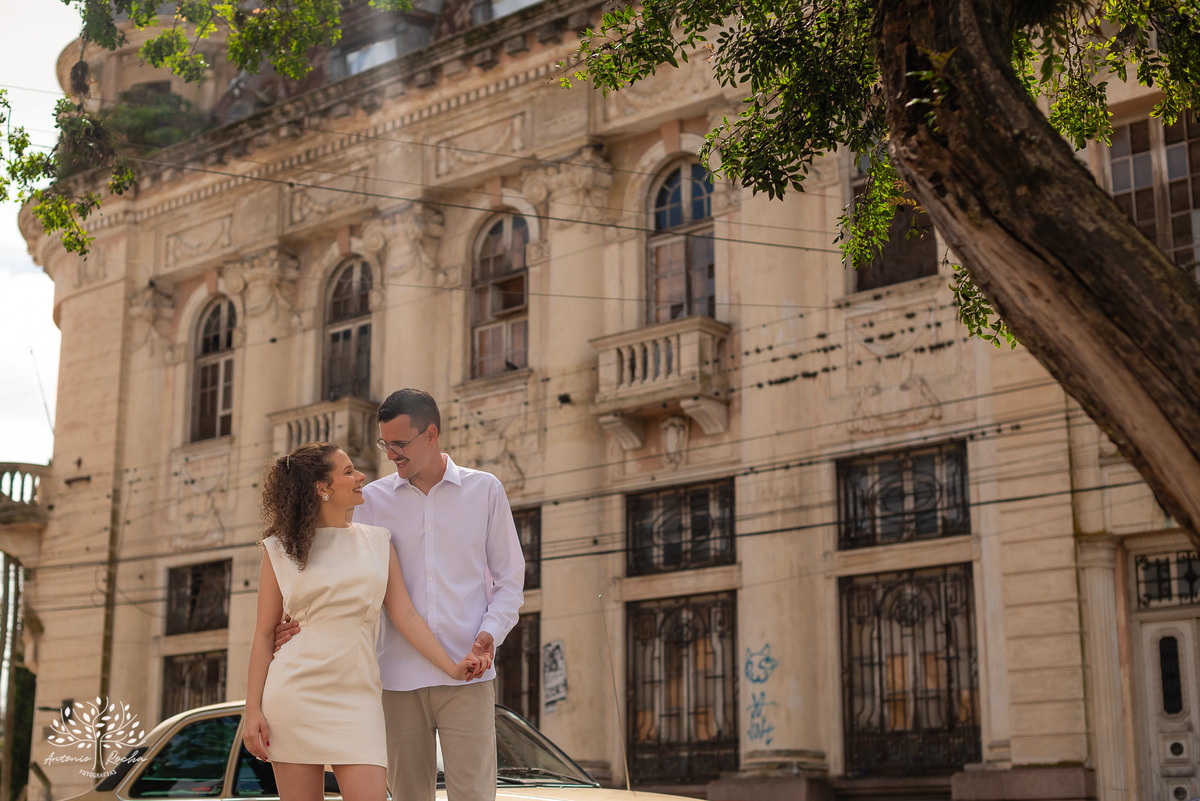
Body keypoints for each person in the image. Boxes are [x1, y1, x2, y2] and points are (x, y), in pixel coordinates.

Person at [276, 388, 525, 801]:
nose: (391, 454)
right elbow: (333, 571)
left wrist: (489, 636)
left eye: (399, 443)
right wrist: (291, 624)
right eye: (384, 443)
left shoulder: (485, 491)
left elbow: (509, 579)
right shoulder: (369, 500)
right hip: (395, 681)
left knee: (476, 796)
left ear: (431, 435)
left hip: (469, 673)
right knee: (409, 797)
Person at [245, 441, 482, 801]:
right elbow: (264, 636)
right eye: (349, 472)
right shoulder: (279, 550)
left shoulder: (377, 542)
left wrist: (451, 668)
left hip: (359, 698)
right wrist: (252, 711)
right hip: (294, 696)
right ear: (322, 488)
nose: (361, 477)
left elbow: (405, 616)